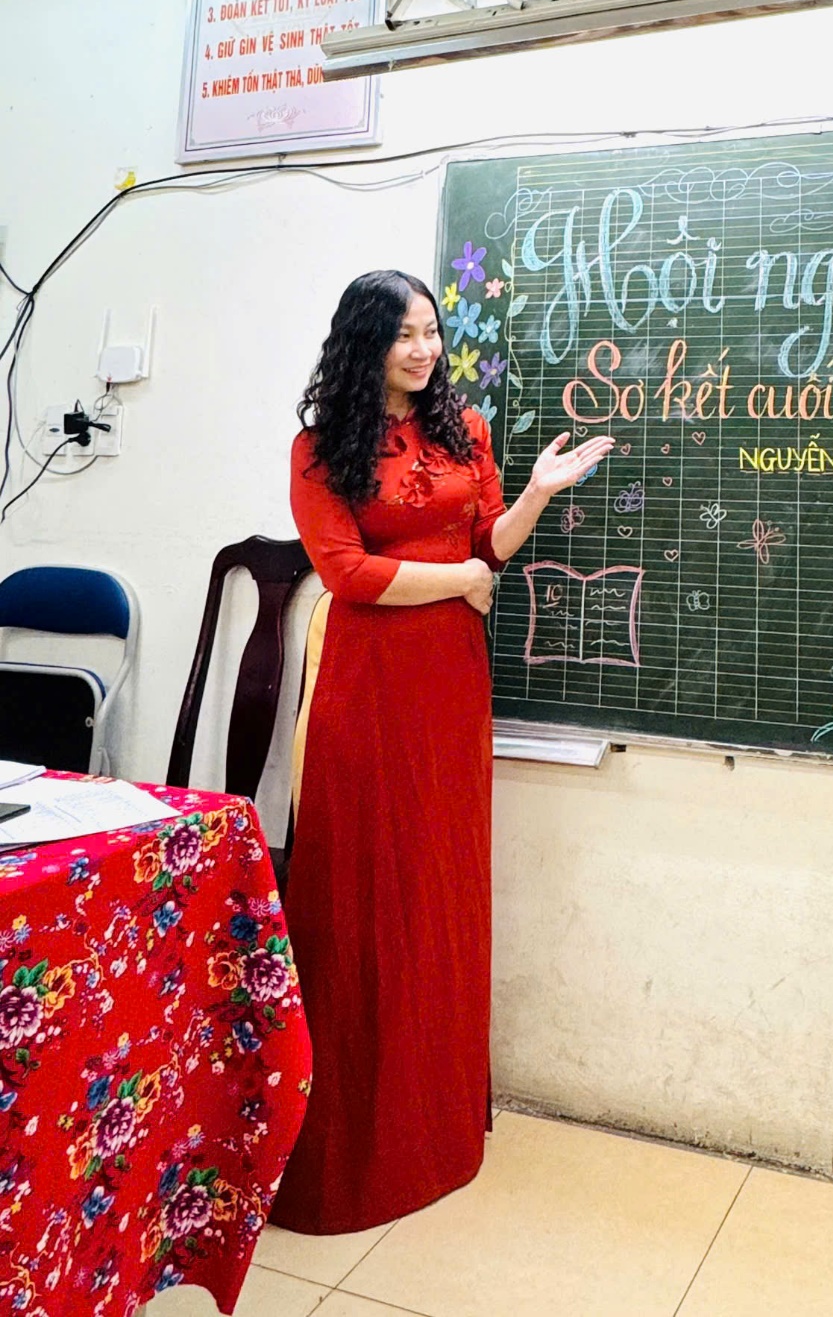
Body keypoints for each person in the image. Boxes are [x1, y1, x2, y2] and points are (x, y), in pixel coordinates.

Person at [271, 269, 613, 1234]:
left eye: (432, 331)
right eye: (404, 335)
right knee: (362, 887)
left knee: (436, 886)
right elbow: (347, 573)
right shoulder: (319, 447)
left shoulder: (466, 433)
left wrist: (537, 495)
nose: (424, 350)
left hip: (451, 687)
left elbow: (494, 551)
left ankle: (437, 1129)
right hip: (367, 686)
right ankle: (350, 1142)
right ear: (363, 343)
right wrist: (458, 576)